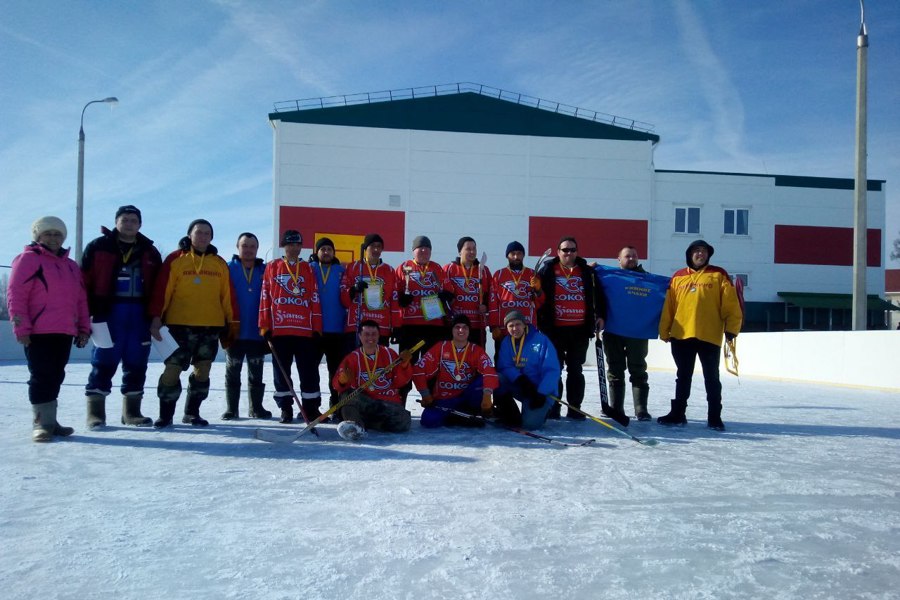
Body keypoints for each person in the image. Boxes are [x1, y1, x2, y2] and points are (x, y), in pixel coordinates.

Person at [8, 216, 90, 442]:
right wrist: (21, 327)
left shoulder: (71, 265)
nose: (53, 238)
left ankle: (50, 421)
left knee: (56, 375)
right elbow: (16, 295)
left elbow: (80, 299)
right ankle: (40, 424)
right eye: (48, 234)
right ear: (38, 236)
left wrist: (83, 327)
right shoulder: (27, 260)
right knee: (41, 376)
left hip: (64, 331)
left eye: (58, 234)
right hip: (37, 331)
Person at [80, 205, 162, 428]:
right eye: (125, 220)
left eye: (134, 220)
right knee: (103, 360)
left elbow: (159, 288)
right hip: (107, 313)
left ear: (140, 224)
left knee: (137, 362)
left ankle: (131, 412)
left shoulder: (149, 251)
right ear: (116, 222)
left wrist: (156, 316)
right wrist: (83, 316)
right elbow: (83, 283)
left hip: (139, 314)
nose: (129, 224)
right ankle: (95, 413)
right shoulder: (99, 247)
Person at [149, 219, 236, 428]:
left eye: (207, 233)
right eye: (199, 232)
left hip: (209, 328)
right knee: (172, 370)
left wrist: (232, 323)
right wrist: (155, 317)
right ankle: (166, 414)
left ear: (212, 237)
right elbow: (163, 290)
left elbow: (228, 296)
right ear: (190, 235)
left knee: (202, 372)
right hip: (178, 327)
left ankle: (192, 412)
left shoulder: (219, 263)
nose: (203, 236)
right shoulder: (175, 260)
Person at [658, 239, 743, 430]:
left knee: (712, 378)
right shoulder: (678, 277)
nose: (700, 254)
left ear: (708, 255)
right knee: (683, 376)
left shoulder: (719, 274)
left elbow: (731, 304)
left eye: (703, 251)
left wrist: (732, 329)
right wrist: (664, 330)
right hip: (681, 335)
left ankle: (714, 417)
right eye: (696, 251)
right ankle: (678, 414)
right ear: (689, 254)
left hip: (709, 335)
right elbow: (669, 307)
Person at [596, 246, 669, 421]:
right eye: (627, 256)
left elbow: (671, 289)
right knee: (615, 369)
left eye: (634, 256)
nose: (631, 259)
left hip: (638, 333)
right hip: (613, 332)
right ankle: (617, 408)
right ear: (618, 260)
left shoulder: (650, 280)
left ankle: (641, 409)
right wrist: (591, 267)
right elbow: (590, 275)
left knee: (638, 369)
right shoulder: (609, 276)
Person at [259, 229, 323, 423]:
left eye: (297, 244)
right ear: (284, 246)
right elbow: (265, 297)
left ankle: (311, 409)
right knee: (281, 373)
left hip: (303, 330)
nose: (294, 247)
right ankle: (285, 408)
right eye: (290, 244)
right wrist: (264, 325)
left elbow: (315, 297)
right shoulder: (273, 267)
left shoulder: (308, 268)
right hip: (280, 329)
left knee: (309, 372)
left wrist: (317, 327)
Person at [536, 236, 603, 420]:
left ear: (577, 252)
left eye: (572, 250)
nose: (569, 253)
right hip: (554, 330)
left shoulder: (587, 271)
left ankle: (575, 408)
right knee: (554, 370)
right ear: (558, 252)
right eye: (565, 250)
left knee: (575, 370)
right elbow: (537, 296)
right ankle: (554, 407)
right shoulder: (548, 269)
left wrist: (601, 316)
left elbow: (599, 295)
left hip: (579, 330)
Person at [394, 235, 454, 404]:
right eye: (421, 248)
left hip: (433, 326)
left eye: (427, 249)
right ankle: (401, 400)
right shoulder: (403, 268)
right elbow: (393, 293)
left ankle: (431, 401)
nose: (424, 251)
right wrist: (400, 299)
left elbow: (449, 291)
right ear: (414, 251)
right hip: (410, 326)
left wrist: (445, 296)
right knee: (406, 364)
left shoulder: (437, 269)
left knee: (431, 366)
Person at [331, 319, 414, 441]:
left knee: (403, 422)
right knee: (346, 396)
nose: (370, 337)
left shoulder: (390, 354)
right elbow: (337, 386)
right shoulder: (352, 358)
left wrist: (405, 365)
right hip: (365, 402)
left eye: (374, 334)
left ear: (379, 335)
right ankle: (355, 427)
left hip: (387, 402)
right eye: (366, 334)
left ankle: (370, 422)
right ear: (359, 336)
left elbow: (400, 382)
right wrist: (342, 381)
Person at [414, 314, 497, 427]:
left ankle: (466, 412)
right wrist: (425, 394)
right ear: (452, 330)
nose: (461, 330)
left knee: (482, 380)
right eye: (457, 327)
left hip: (467, 397)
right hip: (444, 397)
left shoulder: (476, 350)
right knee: (428, 421)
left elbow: (489, 371)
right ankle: (459, 416)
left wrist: (487, 395)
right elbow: (419, 368)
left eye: (465, 327)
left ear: (469, 330)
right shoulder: (441, 347)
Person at [222, 232, 271, 420]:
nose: (249, 250)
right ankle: (231, 409)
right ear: (237, 247)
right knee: (232, 372)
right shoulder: (227, 268)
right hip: (234, 331)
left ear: (257, 249)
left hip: (258, 331)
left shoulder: (265, 270)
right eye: (245, 246)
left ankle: (256, 408)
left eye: (252, 246)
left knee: (256, 373)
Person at [492, 311, 559, 430]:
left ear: (524, 325)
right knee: (497, 378)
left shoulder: (541, 340)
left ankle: (543, 411)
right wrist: (520, 379)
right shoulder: (507, 342)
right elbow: (504, 366)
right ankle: (511, 416)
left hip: (539, 392)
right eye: (510, 326)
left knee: (529, 425)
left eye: (517, 324)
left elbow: (552, 370)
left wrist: (542, 392)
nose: (515, 328)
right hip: (522, 386)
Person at [309, 237, 351, 418]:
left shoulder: (341, 271)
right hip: (315, 330)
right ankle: (312, 407)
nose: (326, 252)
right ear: (316, 252)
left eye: (329, 249)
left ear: (334, 252)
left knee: (336, 373)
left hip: (337, 331)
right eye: (322, 249)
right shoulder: (308, 270)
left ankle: (336, 407)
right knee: (311, 371)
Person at [340, 233, 399, 346]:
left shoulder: (389, 270)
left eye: (379, 246)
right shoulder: (353, 267)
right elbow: (344, 299)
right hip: (357, 324)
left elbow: (394, 301)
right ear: (365, 248)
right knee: (356, 361)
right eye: (372, 246)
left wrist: (396, 326)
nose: (376, 249)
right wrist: (354, 289)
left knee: (379, 362)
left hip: (381, 325)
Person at [488, 241, 543, 348]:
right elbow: (493, 303)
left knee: (528, 361)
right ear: (507, 256)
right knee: (502, 361)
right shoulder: (498, 275)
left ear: (523, 255)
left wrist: (538, 290)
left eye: (519, 253)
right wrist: (494, 326)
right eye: (512, 254)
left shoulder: (533, 274)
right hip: (504, 329)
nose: (516, 256)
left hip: (527, 327)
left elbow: (539, 303)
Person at [443, 236, 491, 345]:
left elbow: (490, 295)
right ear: (460, 251)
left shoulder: (483, 270)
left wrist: (486, 306)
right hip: (455, 325)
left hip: (476, 325)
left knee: (476, 357)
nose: (472, 252)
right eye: (468, 249)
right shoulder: (449, 269)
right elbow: (442, 296)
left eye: (474, 249)